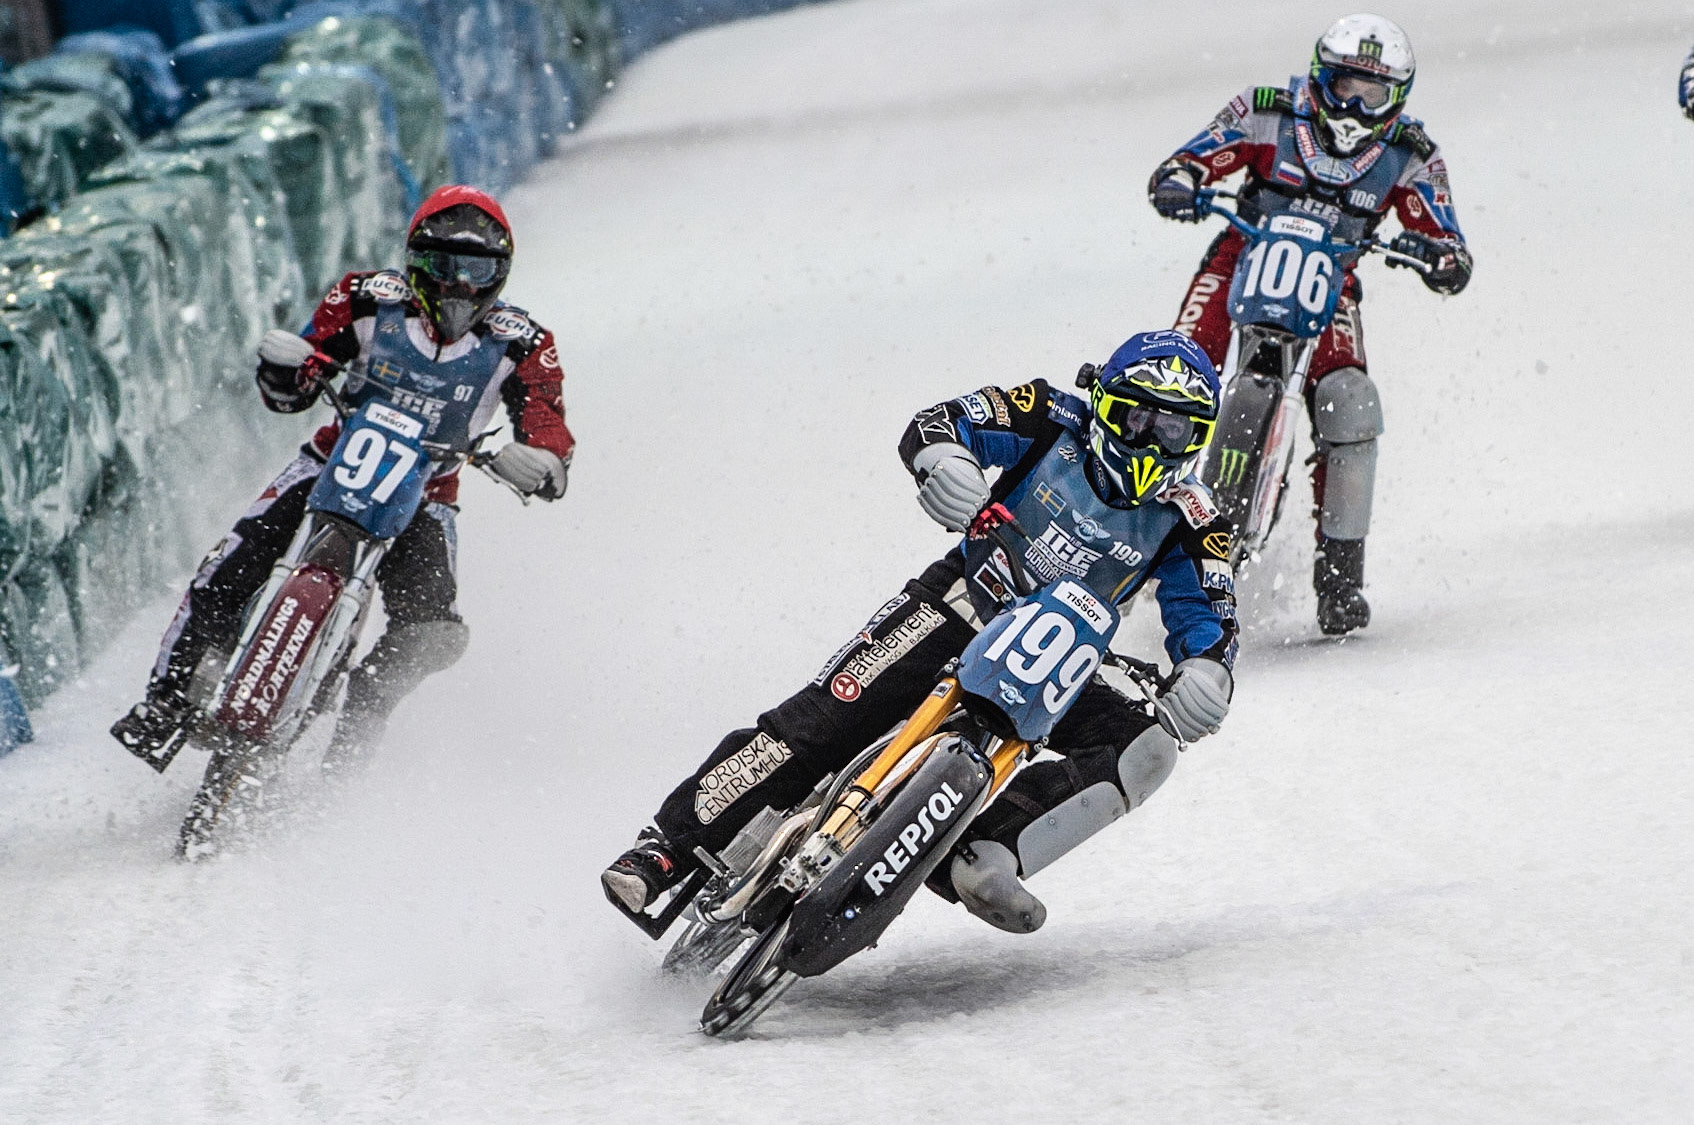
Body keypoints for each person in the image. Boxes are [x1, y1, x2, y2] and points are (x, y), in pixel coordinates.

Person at [603, 330, 1238, 934]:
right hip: (959, 604)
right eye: (1137, 419)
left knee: (1147, 750)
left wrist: (1207, 668)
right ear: (1104, 403)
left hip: (1058, 663)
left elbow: (1211, 611)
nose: (1149, 443)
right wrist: (946, 462)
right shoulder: (1050, 416)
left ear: (1197, 438)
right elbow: (942, 421)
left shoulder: (1195, 520)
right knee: (823, 720)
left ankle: (988, 854)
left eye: (1173, 429)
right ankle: (666, 852)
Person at [111, 185, 574, 766]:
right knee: (226, 567)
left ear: (499, 274)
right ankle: (167, 700)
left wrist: (541, 463)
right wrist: (285, 370)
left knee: (431, 628)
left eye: (475, 270)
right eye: (442, 266)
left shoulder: (523, 342)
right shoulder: (364, 300)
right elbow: (299, 380)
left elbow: (546, 425)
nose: (458, 285)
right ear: (414, 262)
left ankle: (359, 726)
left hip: (428, 491)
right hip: (330, 461)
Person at [1147, 13, 1471, 634]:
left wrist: (1443, 257)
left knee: (1350, 400)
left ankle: (1341, 576)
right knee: (1169, 376)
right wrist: (1180, 181)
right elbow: (1192, 156)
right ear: (1322, 76)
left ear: (1396, 98)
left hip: (1334, 280)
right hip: (1241, 252)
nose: (1354, 104)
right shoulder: (1267, 110)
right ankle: (1124, 513)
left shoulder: (1410, 154)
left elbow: (1447, 236)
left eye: (1372, 93)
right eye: (1346, 84)